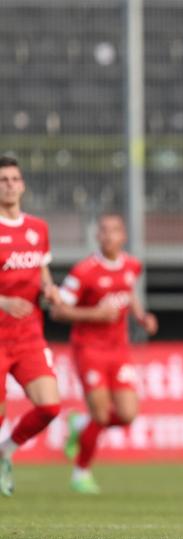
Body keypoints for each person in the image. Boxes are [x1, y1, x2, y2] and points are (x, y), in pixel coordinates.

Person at [50, 213, 157, 494]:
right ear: (97, 236)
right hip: (90, 349)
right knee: (100, 414)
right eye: (104, 231)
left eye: (115, 231)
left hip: (119, 350)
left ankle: (79, 423)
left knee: (127, 414)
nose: (109, 236)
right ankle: (80, 472)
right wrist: (94, 313)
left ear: (123, 236)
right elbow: (58, 310)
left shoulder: (132, 265)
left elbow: (128, 292)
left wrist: (141, 316)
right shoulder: (84, 271)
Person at [0, 155, 63, 497]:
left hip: (28, 337)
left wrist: (49, 290)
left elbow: (40, 270)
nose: (9, 185)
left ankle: (5, 450)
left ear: (22, 185)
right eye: (3, 180)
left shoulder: (38, 228)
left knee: (50, 406)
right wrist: (3, 302)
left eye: (14, 179)